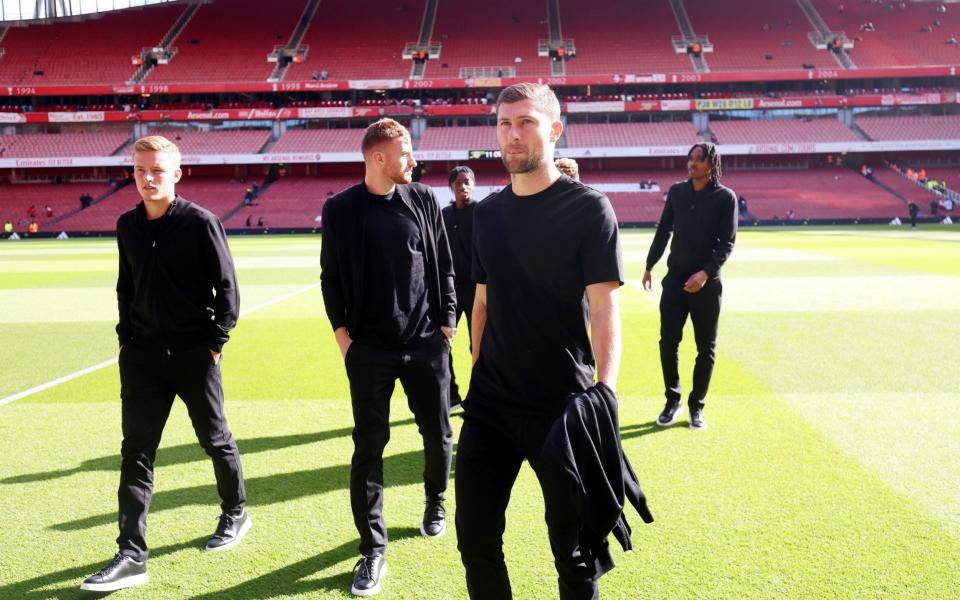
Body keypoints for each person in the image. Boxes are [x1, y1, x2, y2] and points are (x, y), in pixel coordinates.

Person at [456, 83, 624, 599]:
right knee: (475, 539)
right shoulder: (485, 214)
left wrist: (606, 390)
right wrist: (479, 365)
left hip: (562, 407)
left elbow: (603, 306)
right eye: (505, 124)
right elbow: (481, 302)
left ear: (553, 130)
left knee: (574, 552)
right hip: (490, 405)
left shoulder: (589, 209)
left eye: (526, 122)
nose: (513, 134)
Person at [81, 136, 250, 593]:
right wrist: (125, 342)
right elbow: (125, 287)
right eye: (140, 171)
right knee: (136, 453)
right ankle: (132, 554)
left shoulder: (200, 222)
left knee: (214, 439)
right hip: (142, 360)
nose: (148, 178)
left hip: (194, 356)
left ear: (177, 173)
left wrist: (214, 344)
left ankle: (235, 512)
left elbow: (227, 291)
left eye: (157, 170)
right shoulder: (127, 225)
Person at [320, 118, 456, 597]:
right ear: (378, 157)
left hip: (425, 342)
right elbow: (330, 277)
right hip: (369, 350)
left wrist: (448, 324)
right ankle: (371, 547)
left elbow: (443, 265)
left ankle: (436, 500)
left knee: (437, 432)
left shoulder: (422, 199)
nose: (413, 161)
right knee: (369, 446)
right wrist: (344, 340)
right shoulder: (341, 209)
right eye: (406, 153)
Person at [642, 142, 736, 431]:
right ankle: (673, 399)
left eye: (699, 159)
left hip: (707, 287)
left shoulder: (725, 198)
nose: (692, 163)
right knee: (668, 342)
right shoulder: (677, 192)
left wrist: (705, 274)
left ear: (712, 165)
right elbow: (663, 230)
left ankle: (697, 406)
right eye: (690, 158)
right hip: (674, 283)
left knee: (705, 348)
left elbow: (726, 244)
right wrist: (649, 265)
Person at [441, 166, 478, 409]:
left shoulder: (484, 212)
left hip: (478, 291)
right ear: (451, 186)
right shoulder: (443, 215)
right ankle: (452, 398)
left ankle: (479, 396)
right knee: (443, 344)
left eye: (467, 182)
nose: (463, 186)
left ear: (473, 184)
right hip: (450, 291)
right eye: (459, 182)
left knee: (480, 346)